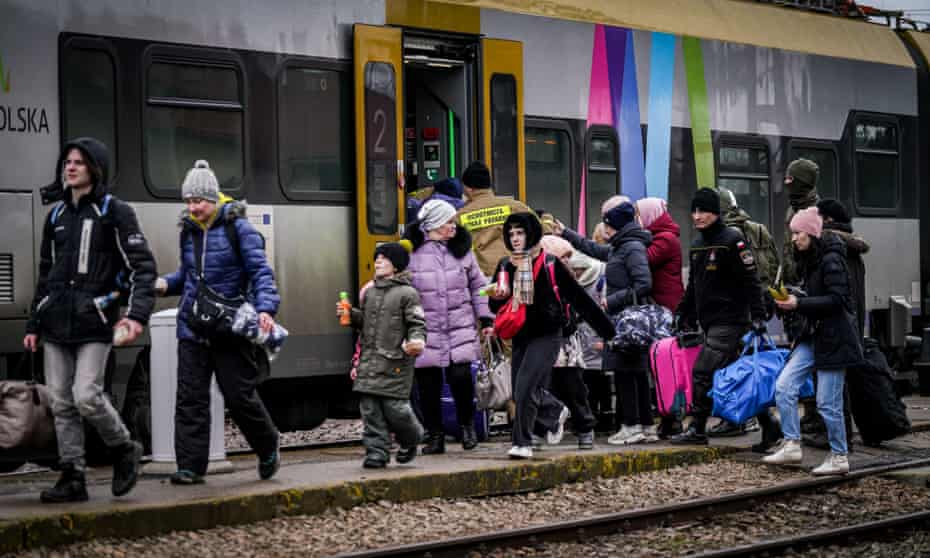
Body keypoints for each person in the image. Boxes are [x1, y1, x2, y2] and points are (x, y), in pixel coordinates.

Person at [24, 137, 156, 503]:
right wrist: (34, 323)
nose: (69, 167)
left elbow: (142, 268)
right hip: (55, 324)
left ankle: (124, 447)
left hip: (95, 322)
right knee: (60, 403)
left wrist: (136, 316)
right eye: (66, 161)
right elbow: (45, 273)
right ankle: (73, 477)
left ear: (95, 169)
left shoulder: (115, 212)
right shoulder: (56, 216)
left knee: (86, 396)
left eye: (78, 162)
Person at [157, 160, 281, 484]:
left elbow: (260, 272)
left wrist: (266, 308)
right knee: (190, 398)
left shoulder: (237, 227)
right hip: (193, 325)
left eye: (197, 201)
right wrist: (163, 284)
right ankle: (190, 467)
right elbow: (187, 276)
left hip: (229, 325)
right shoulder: (189, 231)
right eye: (188, 201)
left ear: (213, 198)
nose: (192, 207)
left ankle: (268, 444)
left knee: (239, 396)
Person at [487, 213, 614, 459]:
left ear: (532, 233)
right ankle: (547, 420)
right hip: (519, 334)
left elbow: (581, 300)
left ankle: (522, 442)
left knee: (526, 386)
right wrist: (497, 296)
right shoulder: (505, 265)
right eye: (511, 233)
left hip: (548, 334)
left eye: (520, 232)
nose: (515, 238)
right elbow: (495, 307)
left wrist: (609, 331)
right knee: (519, 390)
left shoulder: (551, 264)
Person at [764, 208, 862, 475]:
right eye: (793, 233)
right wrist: (795, 299)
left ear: (812, 233)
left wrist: (799, 303)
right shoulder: (811, 259)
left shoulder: (831, 259)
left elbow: (838, 300)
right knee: (784, 386)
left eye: (798, 233)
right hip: (815, 335)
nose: (794, 238)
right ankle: (792, 444)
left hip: (834, 339)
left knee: (827, 402)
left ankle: (839, 456)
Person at [671, 188, 767, 445]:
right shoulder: (698, 244)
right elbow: (694, 286)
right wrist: (683, 312)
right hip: (711, 321)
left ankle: (697, 429)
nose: (697, 216)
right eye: (694, 211)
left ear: (715, 212)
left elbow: (751, 281)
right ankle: (771, 427)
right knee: (736, 377)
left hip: (730, 321)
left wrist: (758, 316)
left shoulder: (732, 240)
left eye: (703, 210)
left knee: (702, 371)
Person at [556, 198, 656, 445]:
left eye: (609, 225)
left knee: (626, 372)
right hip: (625, 318)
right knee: (636, 372)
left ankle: (632, 426)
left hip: (628, 320)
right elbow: (594, 249)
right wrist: (566, 233)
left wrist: (611, 302)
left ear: (619, 226)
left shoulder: (631, 247)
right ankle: (645, 425)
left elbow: (644, 283)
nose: (605, 229)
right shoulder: (622, 245)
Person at [405, 199, 493, 454]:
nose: (454, 226)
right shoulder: (412, 252)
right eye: (448, 221)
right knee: (428, 385)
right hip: (425, 328)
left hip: (460, 325)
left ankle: (467, 427)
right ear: (433, 224)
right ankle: (435, 435)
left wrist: (486, 318)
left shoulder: (463, 251)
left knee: (461, 379)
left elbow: (478, 285)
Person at [338, 242, 426, 468]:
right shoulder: (370, 292)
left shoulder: (408, 293)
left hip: (395, 361)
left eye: (383, 258)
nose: (377, 261)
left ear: (396, 266)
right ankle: (377, 452)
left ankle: (412, 437)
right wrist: (352, 315)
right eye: (377, 257)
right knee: (370, 411)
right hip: (370, 360)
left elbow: (417, 322)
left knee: (396, 409)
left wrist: (416, 341)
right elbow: (366, 323)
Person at [708, 187, 782, 441]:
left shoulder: (727, 235)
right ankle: (760, 420)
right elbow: (773, 264)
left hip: (738, 307)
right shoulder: (758, 229)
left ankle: (739, 419)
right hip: (761, 302)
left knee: (733, 364)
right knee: (746, 362)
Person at [541, 234, 598, 449]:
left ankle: (584, 427)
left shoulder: (569, 279)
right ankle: (541, 428)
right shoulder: (541, 277)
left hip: (566, 342)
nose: (566, 261)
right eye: (560, 257)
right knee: (543, 387)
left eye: (567, 257)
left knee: (573, 387)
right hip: (544, 341)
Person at [457, 161, 535, 278]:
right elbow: (542, 227)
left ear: (468, 188)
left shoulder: (460, 216)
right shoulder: (514, 206)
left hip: (482, 278)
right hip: (515, 273)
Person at [633, 197, 684, 312]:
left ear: (649, 214)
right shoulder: (655, 236)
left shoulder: (666, 238)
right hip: (659, 302)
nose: (635, 219)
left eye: (638, 214)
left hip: (666, 304)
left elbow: (643, 259)